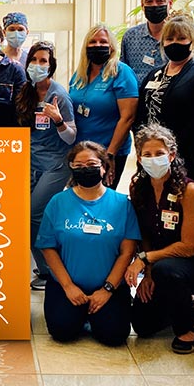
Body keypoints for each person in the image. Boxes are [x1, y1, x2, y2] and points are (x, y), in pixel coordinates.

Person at [125, 124, 194, 354]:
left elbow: (188, 248)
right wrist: (147, 272)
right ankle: (182, 302)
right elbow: (145, 233)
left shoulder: (189, 191)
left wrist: (145, 259)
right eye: (147, 155)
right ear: (139, 159)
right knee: (142, 325)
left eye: (159, 154)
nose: (153, 159)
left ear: (171, 155)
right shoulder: (138, 187)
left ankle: (188, 323)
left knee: (167, 272)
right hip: (161, 265)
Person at [35, 141, 140, 346]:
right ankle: (81, 314)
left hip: (109, 286)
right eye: (78, 166)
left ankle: (93, 314)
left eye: (91, 164)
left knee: (114, 336)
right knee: (62, 332)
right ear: (71, 168)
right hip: (67, 285)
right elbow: (48, 247)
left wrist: (107, 290)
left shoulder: (122, 204)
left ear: (104, 167)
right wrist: (68, 286)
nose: (86, 170)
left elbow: (127, 253)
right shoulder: (58, 202)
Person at [14, 41, 76, 291]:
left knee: (32, 214)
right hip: (31, 164)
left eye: (43, 61)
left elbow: (72, 136)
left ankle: (50, 270)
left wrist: (58, 120)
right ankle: (45, 269)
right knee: (31, 217)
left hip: (55, 165)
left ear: (51, 66)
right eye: (34, 60)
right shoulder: (25, 92)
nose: (38, 65)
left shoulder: (59, 95)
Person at [135, 13, 194, 180]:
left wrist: (170, 147)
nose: (174, 43)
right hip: (153, 156)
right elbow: (140, 113)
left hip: (189, 158)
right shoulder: (153, 75)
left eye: (181, 38)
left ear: (193, 42)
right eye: (169, 39)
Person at [68, 24, 138, 189]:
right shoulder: (79, 75)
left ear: (111, 47)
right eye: (92, 42)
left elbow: (128, 118)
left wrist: (110, 155)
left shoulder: (121, 72)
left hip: (108, 151)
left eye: (103, 42)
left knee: (101, 198)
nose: (97, 46)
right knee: (79, 196)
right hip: (80, 151)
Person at [120, 0, 194, 85]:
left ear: (170, 3)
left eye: (160, 1)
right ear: (142, 5)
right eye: (149, 1)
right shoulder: (130, 37)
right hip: (140, 99)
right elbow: (123, 76)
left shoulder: (191, 33)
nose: (154, 5)